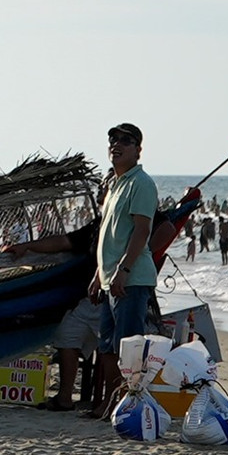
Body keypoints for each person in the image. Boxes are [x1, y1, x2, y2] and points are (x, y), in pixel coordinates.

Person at [81, 123, 158, 421]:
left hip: (131, 279)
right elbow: (109, 236)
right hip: (109, 278)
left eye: (126, 140)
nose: (117, 144)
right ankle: (114, 403)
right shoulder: (114, 183)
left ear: (138, 149)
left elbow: (142, 231)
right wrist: (98, 275)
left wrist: (124, 270)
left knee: (129, 349)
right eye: (113, 139)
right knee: (108, 347)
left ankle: (126, 405)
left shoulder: (141, 183)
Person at [5, 224, 99, 412]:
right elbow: (65, 241)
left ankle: (107, 401)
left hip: (117, 292)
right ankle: (65, 398)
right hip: (90, 296)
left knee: (111, 348)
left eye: (105, 192)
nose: (102, 193)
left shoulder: (130, 218)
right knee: (67, 336)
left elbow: (164, 228)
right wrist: (28, 246)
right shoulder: (99, 223)